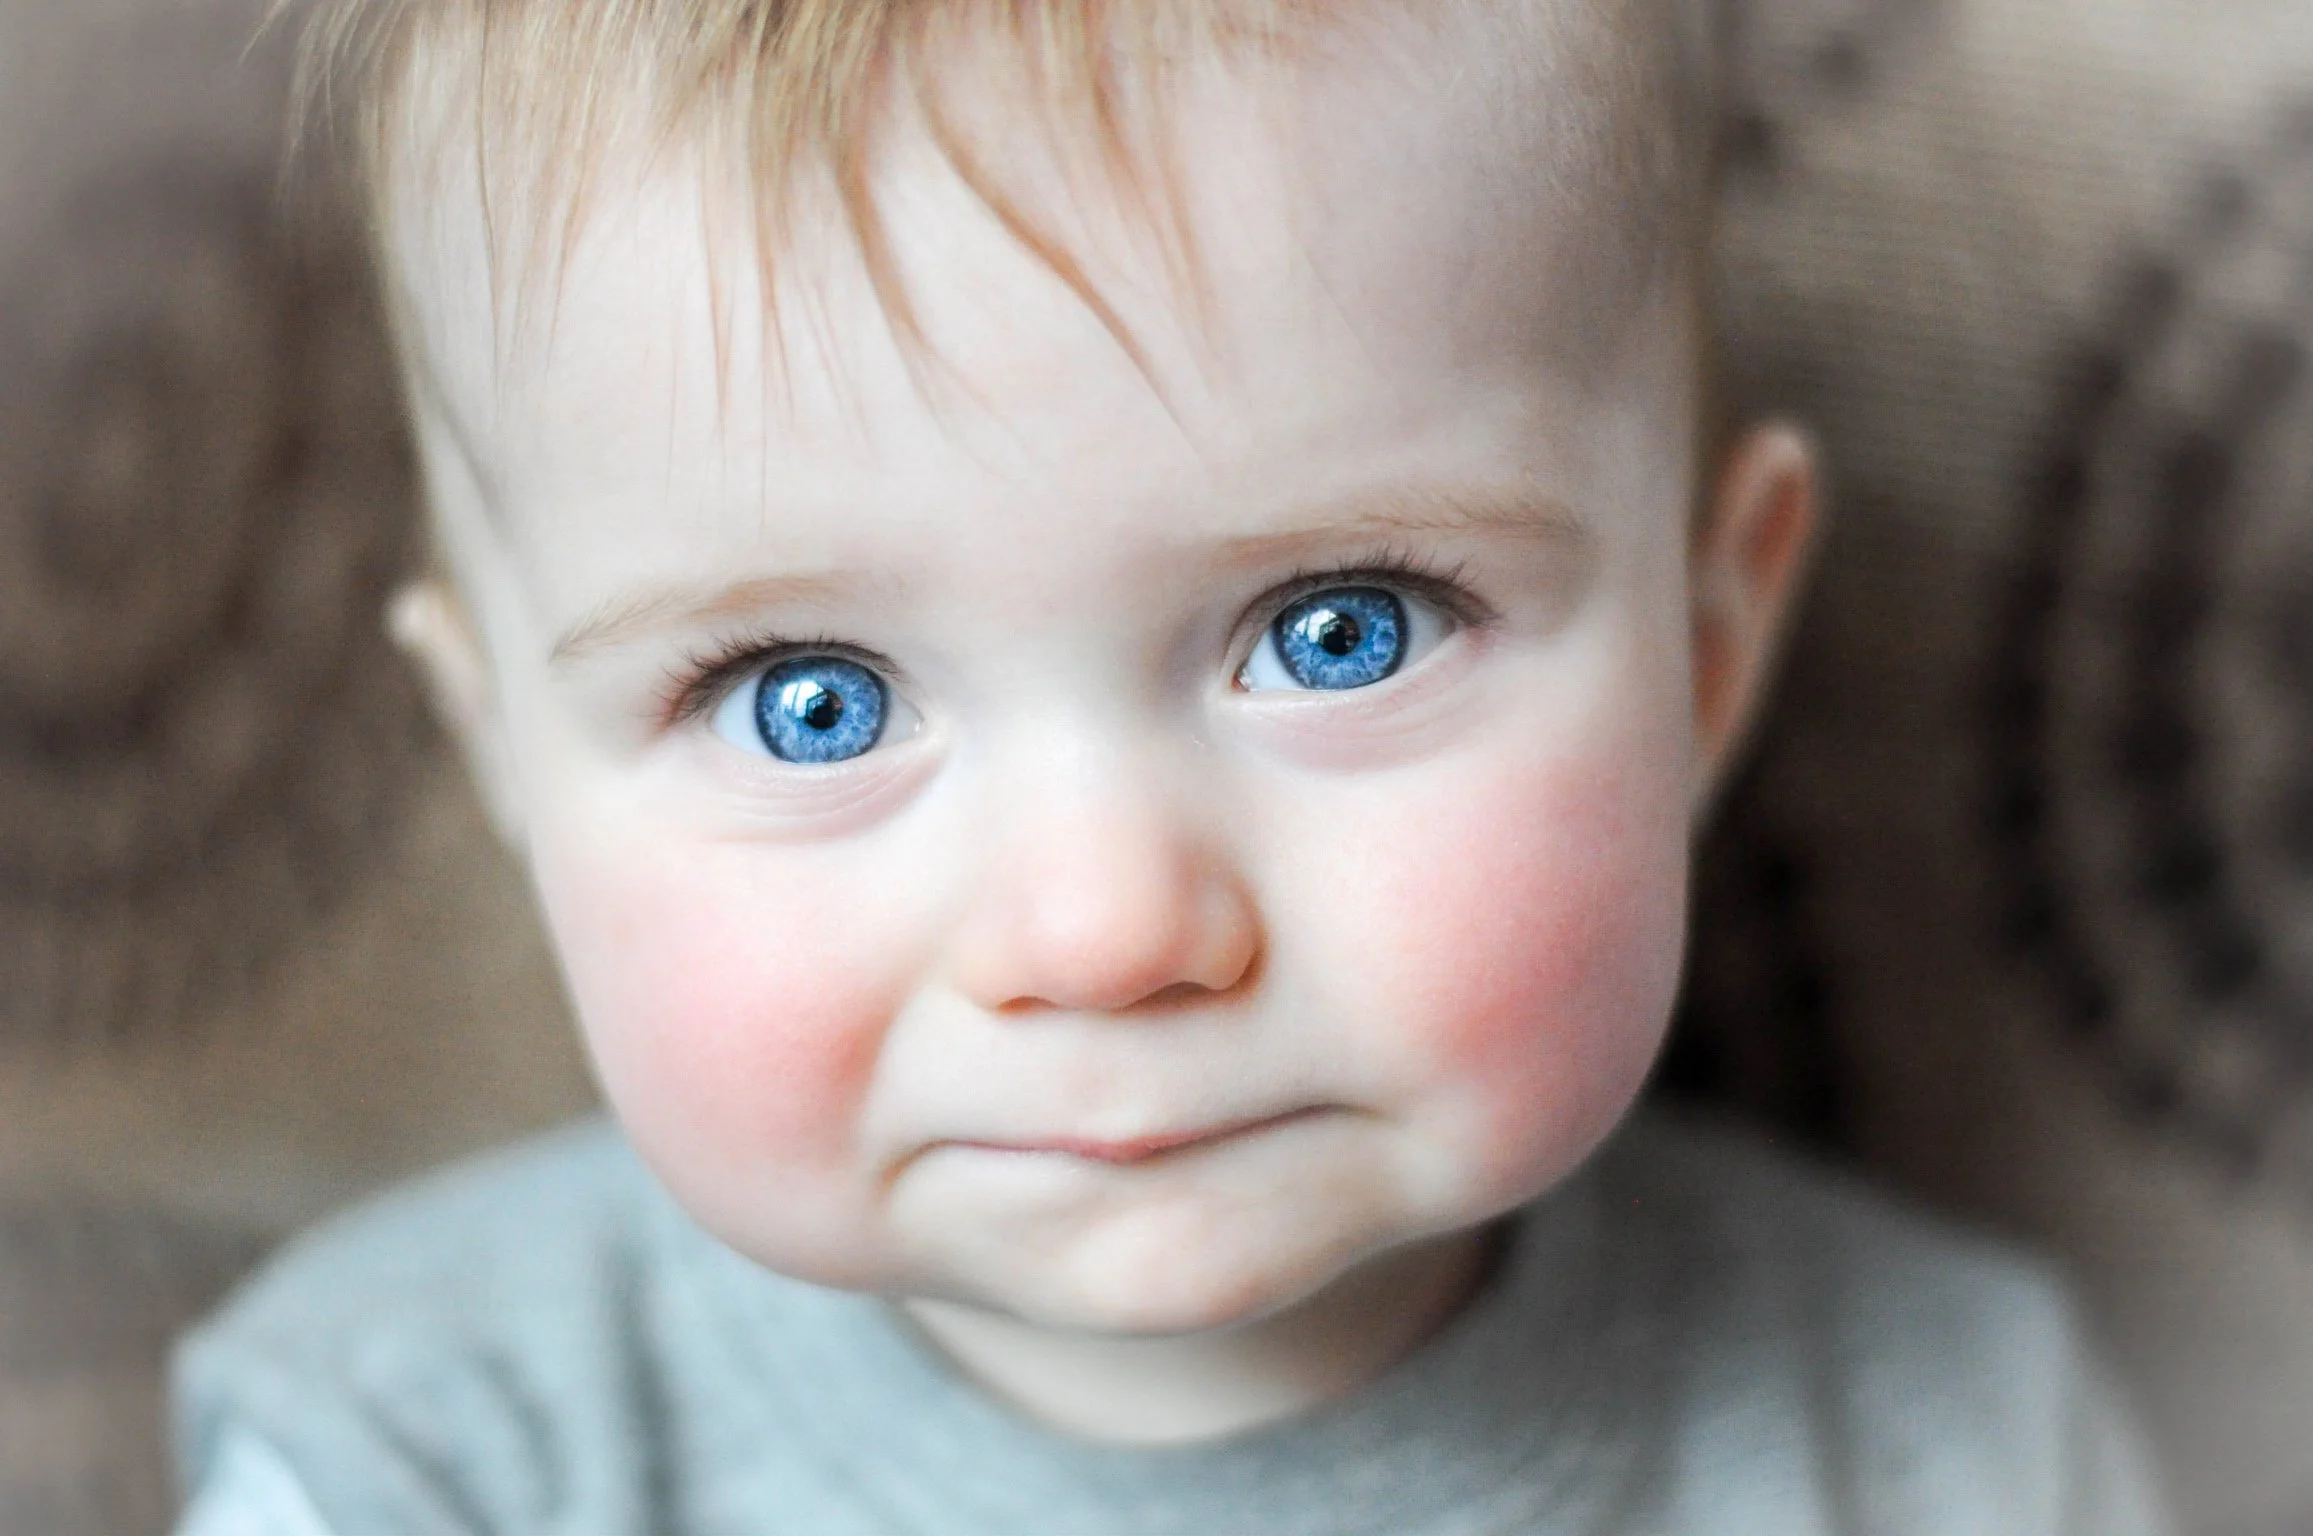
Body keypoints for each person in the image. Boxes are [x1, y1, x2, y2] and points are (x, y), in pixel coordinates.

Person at [171, 1, 2169, 1529]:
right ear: (504, 762)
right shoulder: (418, 1457)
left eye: (1339, 634)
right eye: (815, 702)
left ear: (1705, 655)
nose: (1107, 929)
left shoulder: (1946, 1448)